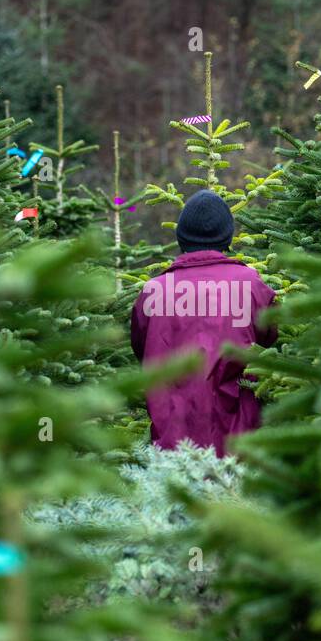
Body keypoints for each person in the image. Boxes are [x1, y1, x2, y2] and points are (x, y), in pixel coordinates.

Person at [130, 189, 277, 456]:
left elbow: (141, 350)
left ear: (182, 238)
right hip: (238, 448)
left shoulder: (153, 291)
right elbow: (270, 345)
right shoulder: (252, 286)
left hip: (171, 452)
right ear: (227, 237)